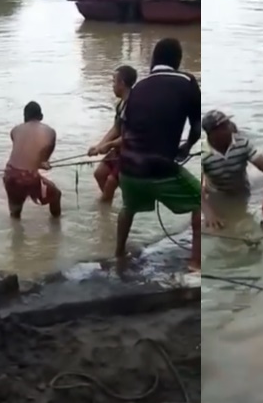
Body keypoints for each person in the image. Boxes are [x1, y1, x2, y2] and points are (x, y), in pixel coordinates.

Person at [115, 38, 205, 271]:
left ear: (153, 60)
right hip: (160, 168)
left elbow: (127, 131)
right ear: (178, 60)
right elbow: (196, 127)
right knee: (202, 202)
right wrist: (186, 148)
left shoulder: (136, 90)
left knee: (128, 208)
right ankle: (195, 263)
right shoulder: (187, 81)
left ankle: (118, 255)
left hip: (127, 171)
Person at [200, 109, 263, 205]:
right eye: (224, 126)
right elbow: (198, 188)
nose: (230, 128)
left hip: (242, 191)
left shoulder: (243, 143)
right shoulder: (202, 152)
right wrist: (207, 212)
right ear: (212, 133)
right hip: (217, 194)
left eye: (228, 124)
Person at [2, 101, 61, 219]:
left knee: (15, 211)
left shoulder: (15, 130)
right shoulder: (50, 132)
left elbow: (22, 154)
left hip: (9, 173)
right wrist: (44, 164)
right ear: (41, 117)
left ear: (24, 117)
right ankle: (56, 227)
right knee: (56, 194)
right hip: (28, 176)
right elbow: (42, 161)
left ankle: (16, 232)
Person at [88, 64, 138, 203]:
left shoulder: (135, 105)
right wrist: (99, 146)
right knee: (99, 174)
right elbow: (116, 129)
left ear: (122, 83)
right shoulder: (120, 104)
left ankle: (107, 209)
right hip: (119, 150)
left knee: (110, 181)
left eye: (113, 81)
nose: (112, 85)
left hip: (130, 152)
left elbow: (131, 135)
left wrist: (109, 145)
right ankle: (110, 206)